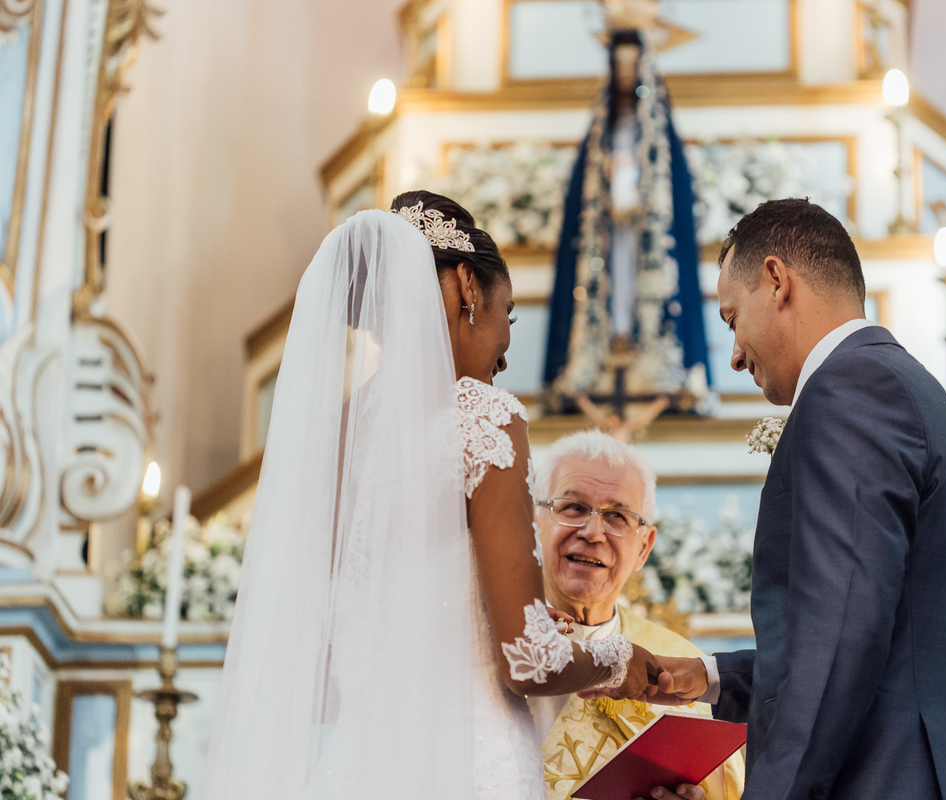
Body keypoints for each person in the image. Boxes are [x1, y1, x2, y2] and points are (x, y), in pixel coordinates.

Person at [199, 192, 666, 800]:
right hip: (468, 763)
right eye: (508, 314)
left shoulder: (336, 435)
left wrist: (482, 622)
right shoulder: (483, 418)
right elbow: (527, 661)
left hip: (356, 767)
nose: (505, 351)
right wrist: (618, 659)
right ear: (468, 286)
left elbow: (326, 662)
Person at [596, 199, 946, 800]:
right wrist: (708, 677)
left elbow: (837, 647)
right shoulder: (902, 385)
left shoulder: (849, 391)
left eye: (733, 318)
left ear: (777, 281)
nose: (735, 354)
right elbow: (874, 636)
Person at [528, 431, 744, 800]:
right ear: (534, 524)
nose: (593, 533)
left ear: (644, 548)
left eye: (617, 516)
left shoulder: (681, 669)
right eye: (573, 507)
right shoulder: (491, 645)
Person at [543, 27, 709, 409]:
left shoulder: (660, 135)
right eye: (619, 64)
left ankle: (655, 364)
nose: (625, 74)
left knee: (644, 286)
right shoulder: (601, 132)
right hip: (608, 235)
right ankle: (602, 354)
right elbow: (582, 195)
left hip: (645, 236)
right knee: (608, 282)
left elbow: (676, 198)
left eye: (632, 64)